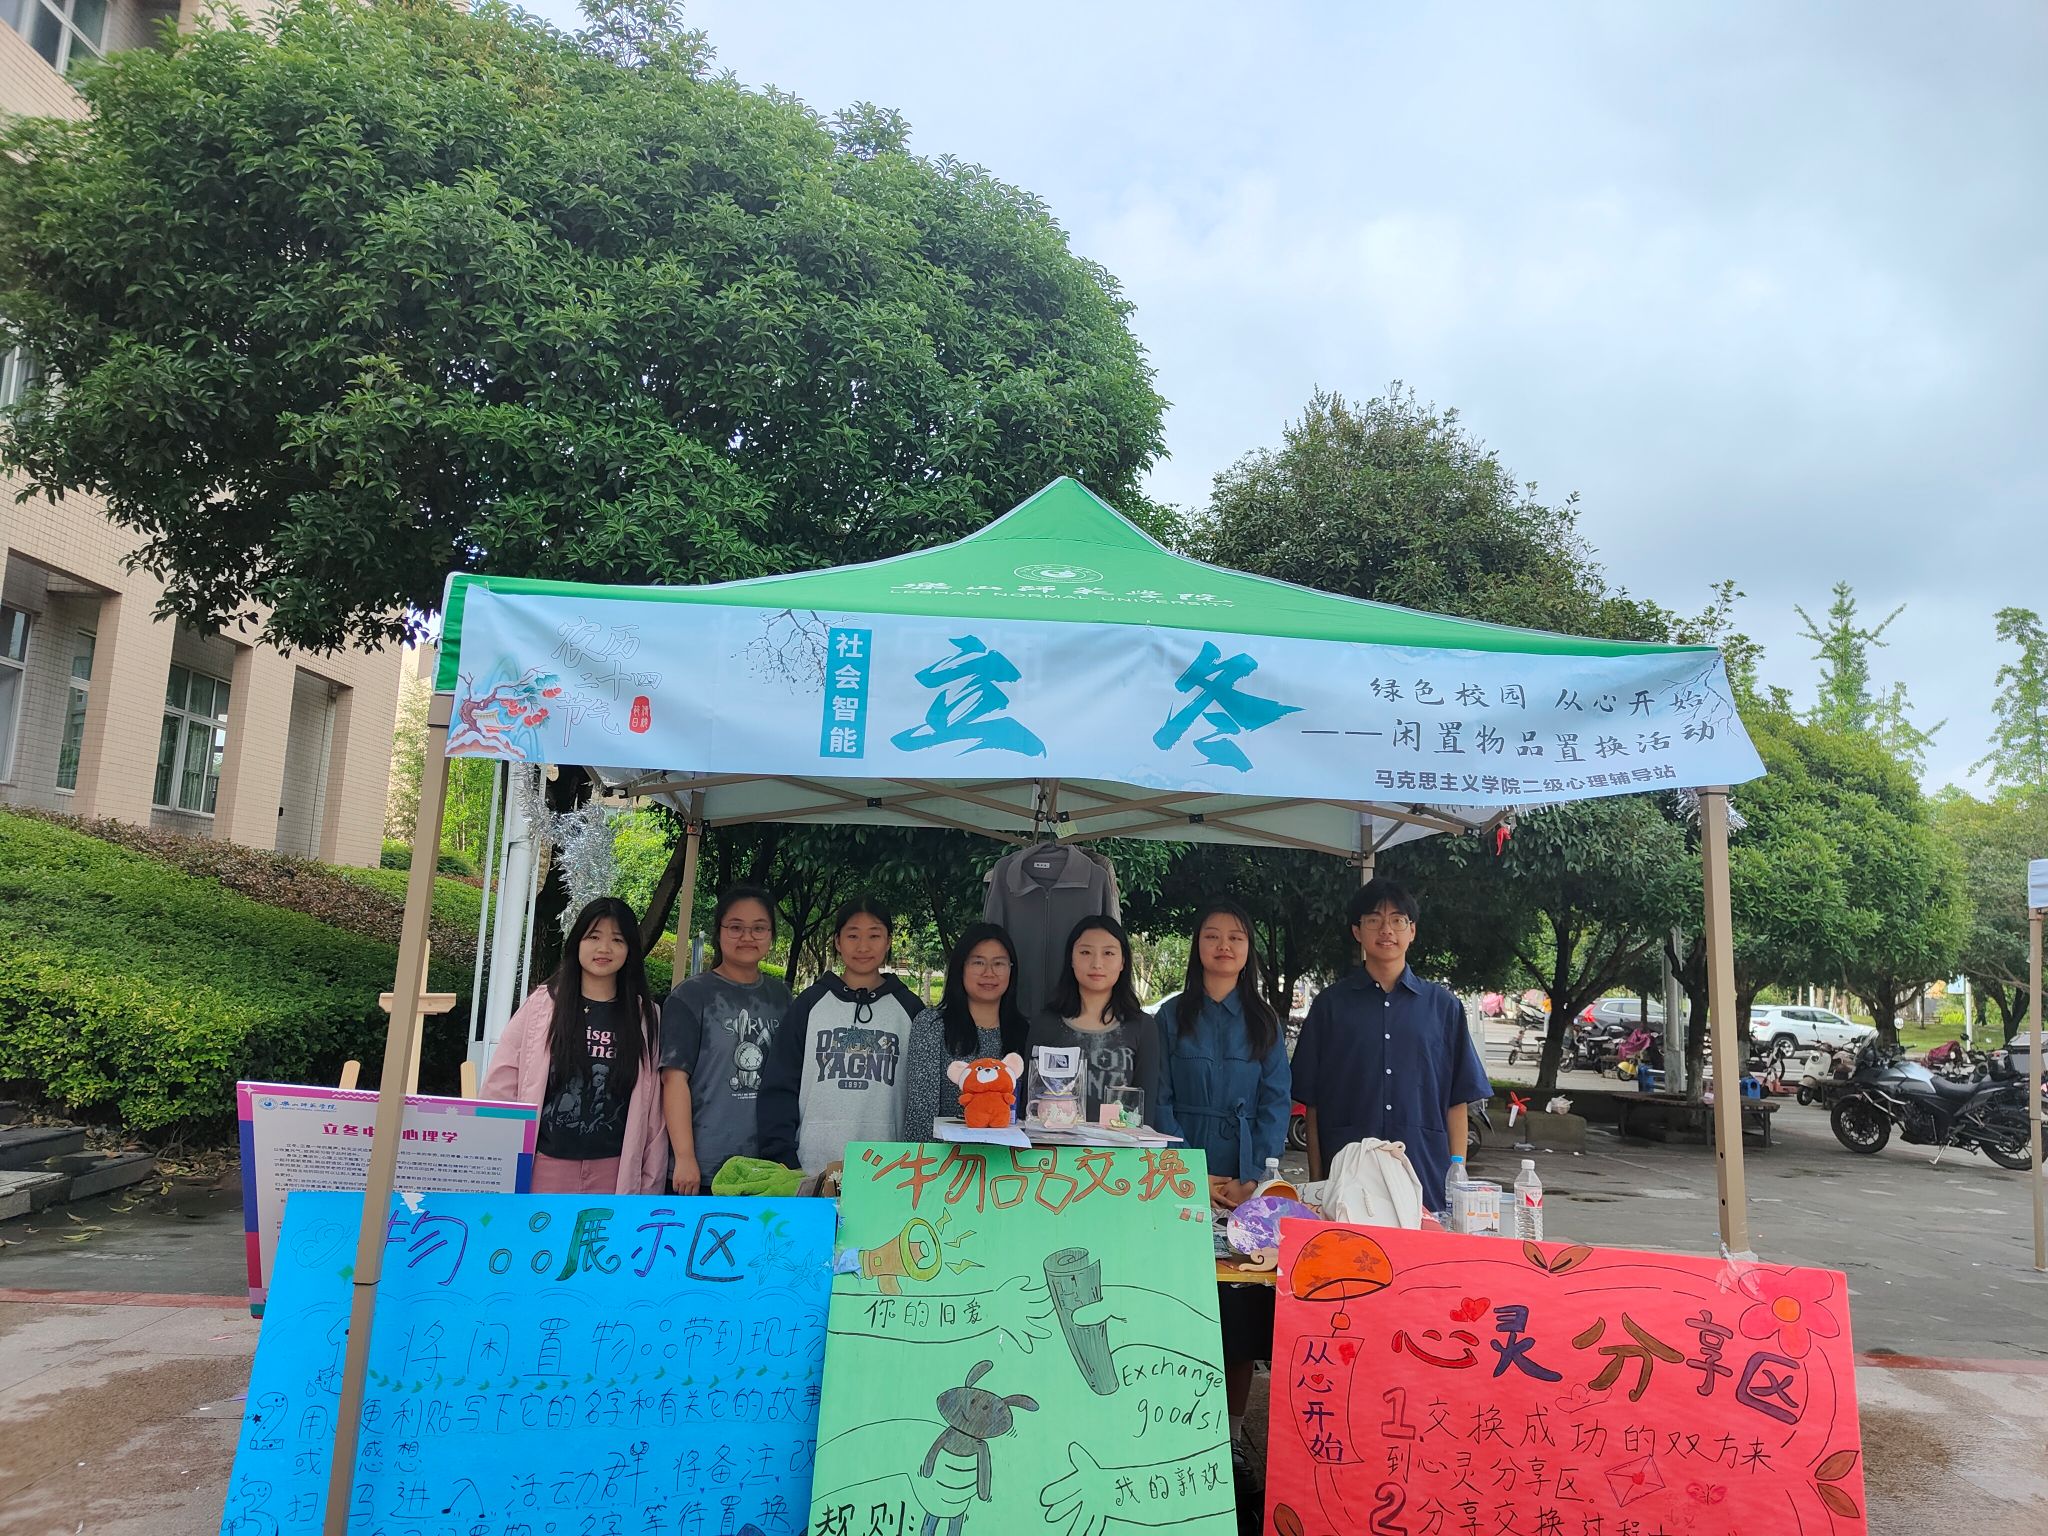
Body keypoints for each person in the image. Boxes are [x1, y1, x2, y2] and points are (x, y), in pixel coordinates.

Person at [1151, 898, 1291, 1479]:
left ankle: (1231, 1438)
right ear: (1197, 947)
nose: (1224, 946)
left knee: (1238, 1315)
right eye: (1212, 935)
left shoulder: (1264, 1021)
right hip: (1181, 1179)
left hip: (1244, 1187)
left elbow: (1276, 1101)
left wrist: (1253, 1176)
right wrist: (1190, 1172)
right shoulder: (1169, 1017)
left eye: (1236, 936)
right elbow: (1157, 1098)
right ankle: (1168, 1427)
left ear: (1248, 949)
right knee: (1176, 1304)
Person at [1290, 877, 1491, 1210]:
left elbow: (1457, 1100)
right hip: (1347, 1176)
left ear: (1412, 931)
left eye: (1397, 920)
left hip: (1425, 1171)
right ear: (1357, 931)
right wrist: (1317, 1181)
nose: (1386, 930)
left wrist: (1457, 1175)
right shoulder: (1330, 1006)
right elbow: (1313, 1104)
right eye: (1374, 920)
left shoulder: (1443, 1007)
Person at [482, 896, 667, 1194]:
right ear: (576, 942)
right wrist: (494, 1160)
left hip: (614, 1171)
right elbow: (502, 1083)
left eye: (617, 940)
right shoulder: (542, 1006)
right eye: (593, 937)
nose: (604, 948)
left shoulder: (646, 1017)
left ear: (630, 950)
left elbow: (655, 1110)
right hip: (545, 1168)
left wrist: (650, 1181)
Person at [758, 896, 921, 1171]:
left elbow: (923, 1095)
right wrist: (782, 1157)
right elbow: (780, 1084)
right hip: (810, 1168)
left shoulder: (910, 1009)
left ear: (888, 941)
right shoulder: (809, 1004)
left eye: (874, 935)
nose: (863, 946)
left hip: (889, 1171)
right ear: (837, 941)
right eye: (853, 935)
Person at [659, 885, 793, 1193]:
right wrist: (685, 1157)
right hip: (703, 1166)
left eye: (759, 928)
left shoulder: (781, 998)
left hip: (765, 1167)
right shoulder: (691, 996)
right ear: (719, 933)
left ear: (771, 935)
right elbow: (673, 1079)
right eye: (735, 927)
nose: (747, 937)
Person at [900, 923, 1030, 1141]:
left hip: (1011, 1159)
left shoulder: (1026, 1031)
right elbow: (921, 1112)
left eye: (999, 963)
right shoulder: (932, 1026)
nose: (989, 973)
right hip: (947, 1157)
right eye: (978, 962)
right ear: (961, 967)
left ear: (1011, 970)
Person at [1025, 915, 1158, 1124]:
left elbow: (1146, 1111)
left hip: (1120, 1144)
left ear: (1123, 962)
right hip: (1056, 1143)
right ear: (1071, 959)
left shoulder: (1142, 1026)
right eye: (1085, 952)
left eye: (1108, 953)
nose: (1097, 963)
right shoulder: (1045, 1024)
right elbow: (1030, 1103)